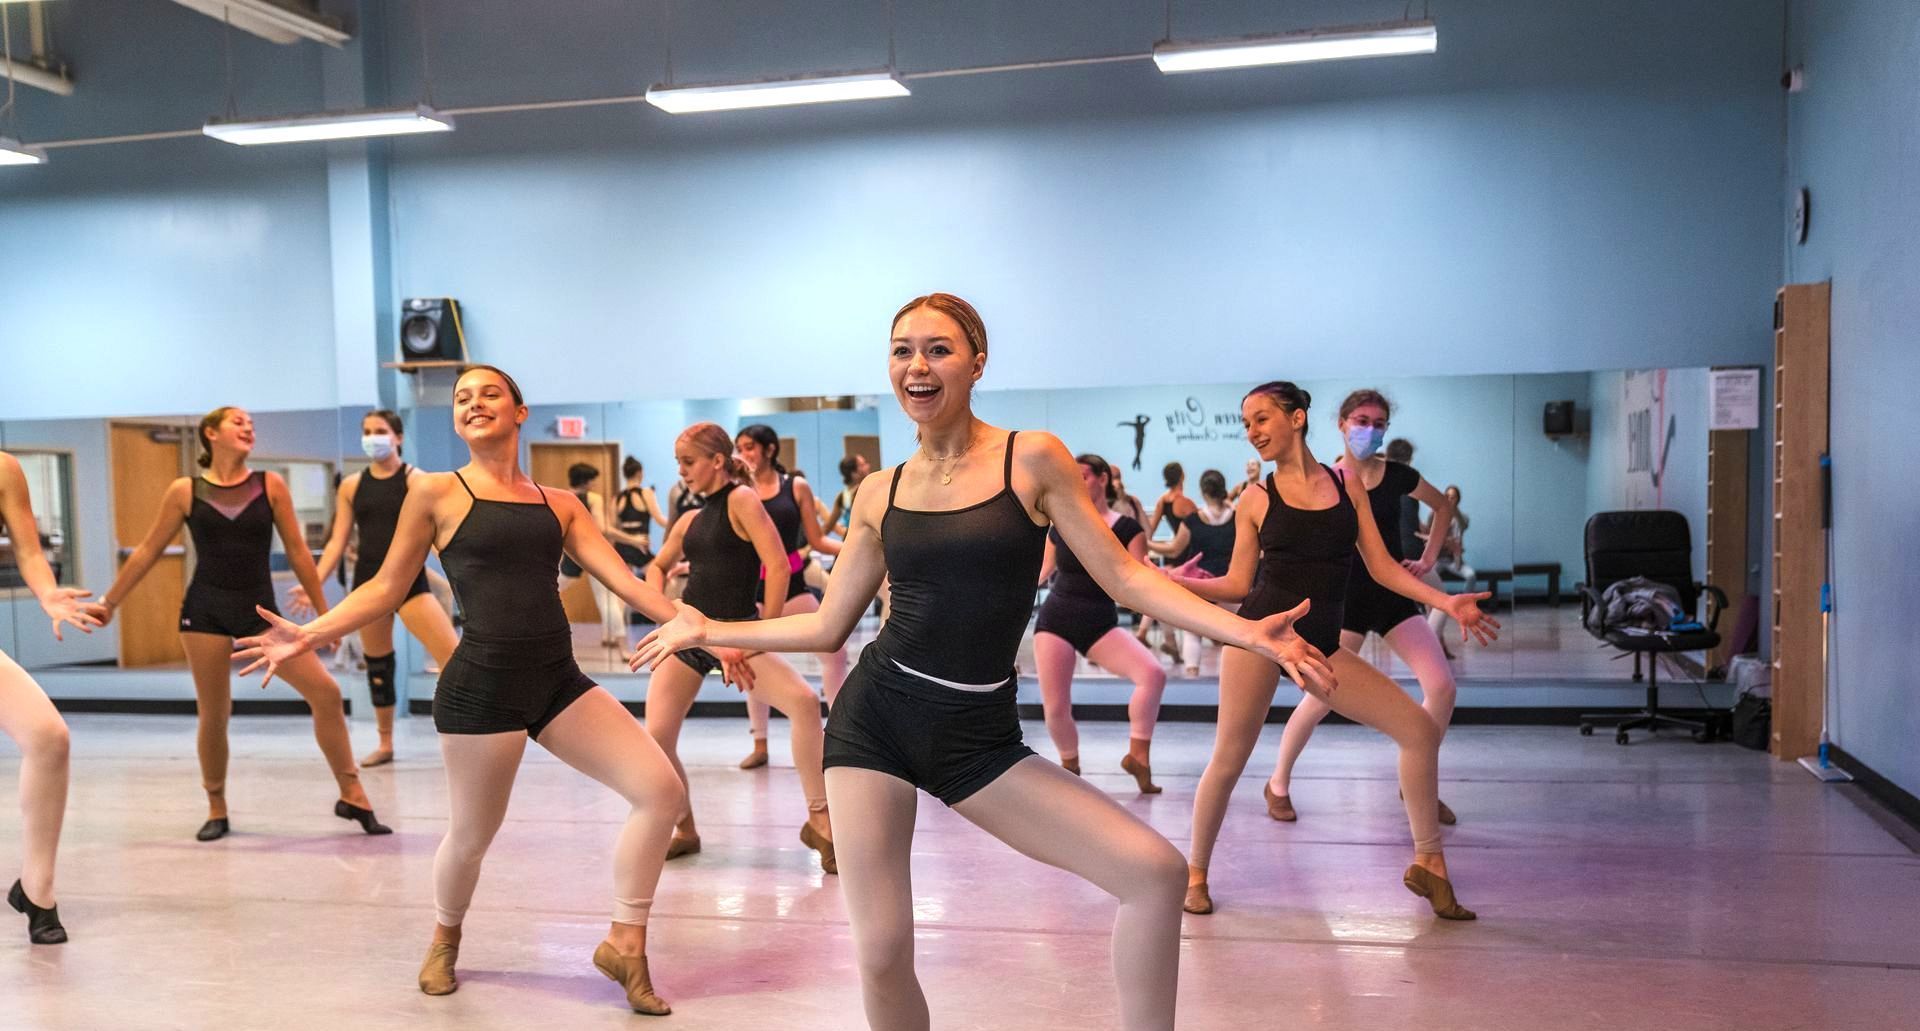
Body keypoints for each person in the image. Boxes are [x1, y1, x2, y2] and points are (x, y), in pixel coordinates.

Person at [633, 294, 1332, 1031]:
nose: (917, 365)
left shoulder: (1031, 457)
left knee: (1155, 875)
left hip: (978, 737)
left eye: (937, 348)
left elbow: (1127, 578)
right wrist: (711, 626)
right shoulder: (881, 491)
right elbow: (831, 622)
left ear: (976, 361)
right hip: (877, 722)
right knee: (881, 950)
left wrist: (1250, 633)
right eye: (902, 350)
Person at [235, 366, 697, 1013]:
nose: (473, 403)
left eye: (488, 393)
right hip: (481, 689)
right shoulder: (432, 492)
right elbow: (385, 586)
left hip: (558, 682)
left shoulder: (562, 504)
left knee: (661, 790)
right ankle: (445, 936)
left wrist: (699, 627)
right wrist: (310, 633)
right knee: (473, 836)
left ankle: (626, 941)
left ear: (520, 411)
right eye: (462, 397)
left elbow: (627, 582)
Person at [1169, 381, 1497, 921]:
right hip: (1261, 637)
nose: (1251, 432)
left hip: (1319, 643)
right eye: (1246, 423)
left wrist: (1447, 601)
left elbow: (1383, 566)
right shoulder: (1256, 499)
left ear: (1297, 418)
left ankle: (1430, 864)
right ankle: (1197, 871)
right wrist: (1173, 582)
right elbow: (1235, 584)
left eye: (1261, 419)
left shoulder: (1348, 486)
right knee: (1229, 759)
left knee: (1417, 730)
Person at [97, 406, 389, 841]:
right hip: (205, 611)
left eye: (251, 423)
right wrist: (110, 603)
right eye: (238, 422)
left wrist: (326, 620)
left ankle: (352, 794)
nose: (248, 427)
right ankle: (216, 805)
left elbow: (297, 552)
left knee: (326, 693)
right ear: (211, 434)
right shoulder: (185, 490)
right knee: (215, 713)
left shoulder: (270, 486)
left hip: (260, 614)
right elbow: (146, 552)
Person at [641, 423, 835, 871]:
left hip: (735, 633)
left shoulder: (742, 500)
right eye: (678, 464)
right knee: (657, 738)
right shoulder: (690, 518)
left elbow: (778, 565)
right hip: (690, 636)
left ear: (715, 461)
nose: (681, 472)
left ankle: (819, 821)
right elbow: (656, 566)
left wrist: (758, 632)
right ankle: (684, 827)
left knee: (805, 703)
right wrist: (669, 609)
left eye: (687, 463)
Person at [1265, 391, 1463, 825]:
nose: (1369, 429)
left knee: (1443, 688)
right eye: (1361, 420)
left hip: (1392, 597)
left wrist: (1428, 559)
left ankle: (1418, 776)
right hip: (1344, 602)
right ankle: (1277, 782)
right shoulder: (1327, 480)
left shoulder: (1397, 477)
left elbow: (1444, 507)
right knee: (1320, 699)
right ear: (1341, 423)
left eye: (1378, 423)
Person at [296, 409, 460, 767]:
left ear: (398, 437)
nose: (373, 437)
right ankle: (385, 743)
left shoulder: (418, 481)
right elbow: (338, 541)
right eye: (367, 431)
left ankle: (466, 734)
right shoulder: (352, 486)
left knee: (455, 659)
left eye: (381, 431)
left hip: (409, 582)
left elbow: (436, 536)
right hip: (369, 582)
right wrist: (314, 585)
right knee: (378, 665)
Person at [1, 452, 98, 944]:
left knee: (48, 736)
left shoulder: (4, 470)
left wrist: (48, 593)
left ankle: (37, 890)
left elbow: (29, 551)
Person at [1033, 453, 1167, 794]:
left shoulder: (1127, 528)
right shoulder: (1061, 522)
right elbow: (1041, 573)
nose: (1078, 483)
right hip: (1057, 618)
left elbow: (1136, 580)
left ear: (1103, 479)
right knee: (1056, 707)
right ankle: (1070, 767)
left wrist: (1171, 582)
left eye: (1085, 476)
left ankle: (1139, 755)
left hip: (1099, 622)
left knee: (1152, 674)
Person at [736, 425, 845, 771]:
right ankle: (760, 742)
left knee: (835, 652)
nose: (744, 454)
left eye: (750, 447)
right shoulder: (738, 491)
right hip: (753, 593)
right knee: (755, 667)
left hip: (794, 589)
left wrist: (862, 549)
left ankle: (843, 733)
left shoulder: (795, 487)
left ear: (770, 449)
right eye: (740, 448)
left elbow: (816, 539)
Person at [1146, 469, 1238, 677]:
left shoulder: (1193, 521)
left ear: (1203, 492)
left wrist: (1147, 543)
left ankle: (1192, 676)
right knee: (1235, 636)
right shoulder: (1238, 518)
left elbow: (1174, 549)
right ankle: (1232, 681)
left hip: (1200, 585)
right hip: (1229, 584)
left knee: (1192, 633)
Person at [558, 463, 646, 649]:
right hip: (591, 552)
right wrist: (633, 539)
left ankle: (609, 637)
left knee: (553, 588)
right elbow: (604, 528)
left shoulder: (562, 497)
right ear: (586, 481)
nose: (594, 484)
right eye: (593, 480)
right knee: (607, 599)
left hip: (570, 551)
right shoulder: (594, 499)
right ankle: (622, 647)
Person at [824, 453, 873, 537]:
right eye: (863, 464)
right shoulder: (866, 491)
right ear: (854, 473)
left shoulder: (842, 496)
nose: (868, 466)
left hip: (849, 542)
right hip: (865, 542)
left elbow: (828, 527)